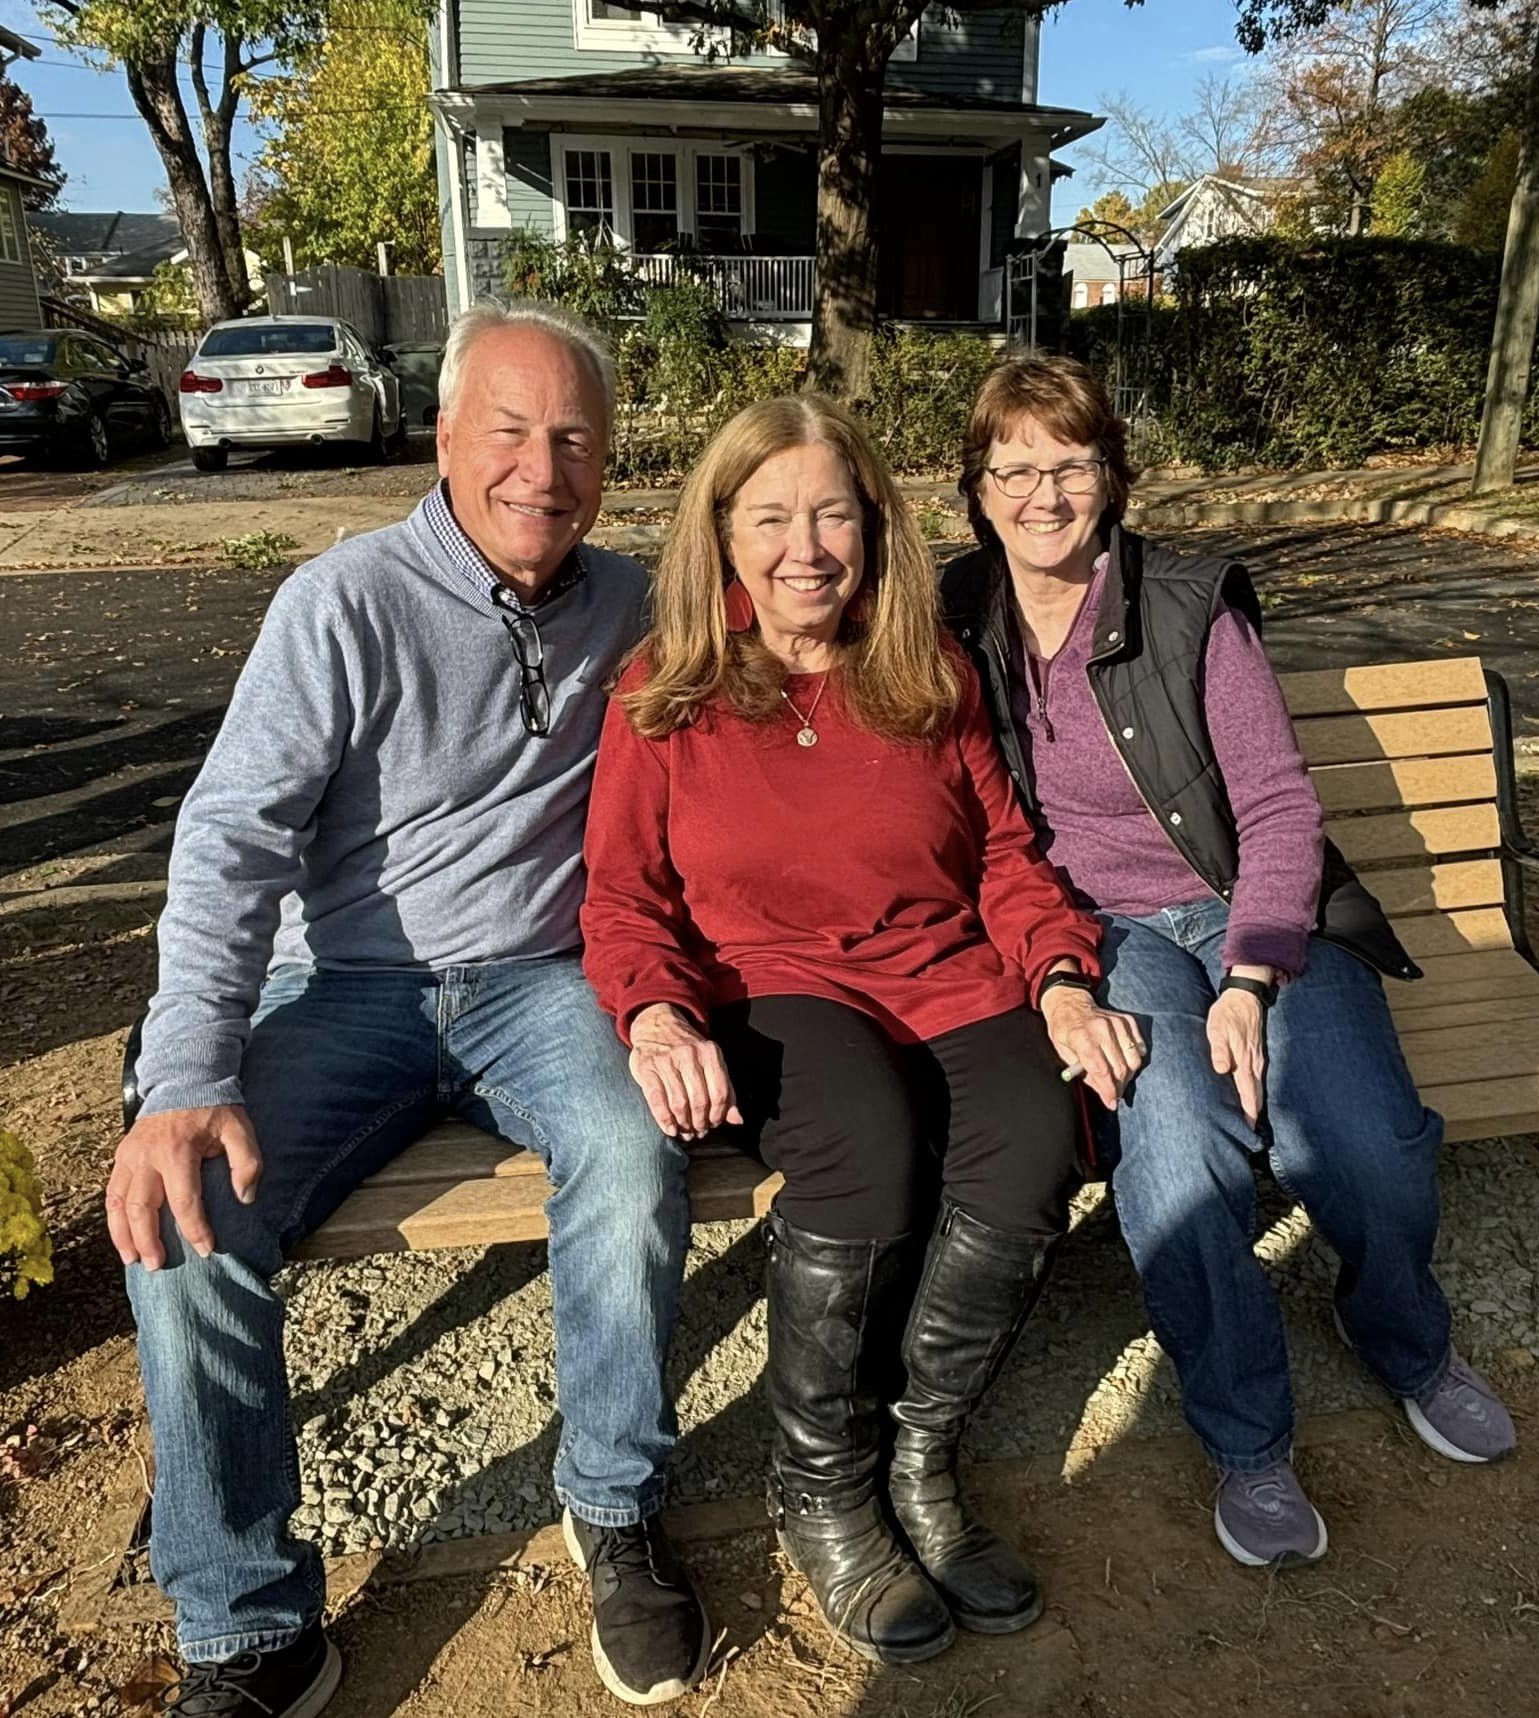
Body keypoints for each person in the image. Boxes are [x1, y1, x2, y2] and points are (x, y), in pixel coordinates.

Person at [107, 302, 710, 1715]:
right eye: (507, 429)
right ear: (442, 434)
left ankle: (613, 1505)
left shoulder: (632, 604)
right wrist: (188, 1064)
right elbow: (233, 836)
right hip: (352, 984)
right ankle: (249, 1623)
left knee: (629, 1160)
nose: (539, 469)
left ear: (609, 461)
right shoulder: (343, 599)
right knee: (188, 1212)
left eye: (573, 438)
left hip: (542, 983)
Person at [579, 394, 1143, 1665]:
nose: (806, 546)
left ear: (874, 524)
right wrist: (657, 1008)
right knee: (868, 1146)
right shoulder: (666, 688)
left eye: (834, 511)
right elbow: (623, 895)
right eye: (771, 516)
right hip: (777, 982)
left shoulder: (924, 668)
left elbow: (1003, 850)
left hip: (944, 969)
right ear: (722, 533)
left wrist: (1058, 972)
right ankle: (823, 1482)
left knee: (1037, 1124)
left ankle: (923, 1457)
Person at [942, 354, 1517, 1570]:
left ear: (1114, 477)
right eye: (1016, 468)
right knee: (1177, 1153)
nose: (1045, 493)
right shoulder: (957, 617)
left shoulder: (1191, 600)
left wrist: (1255, 974)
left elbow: (1275, 804)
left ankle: (1407, 1338)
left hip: (1255, 909)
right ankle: (1249, 1435)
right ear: (977, 487)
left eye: (1073, 464)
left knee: (1350, 1135)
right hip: (1109, 935)